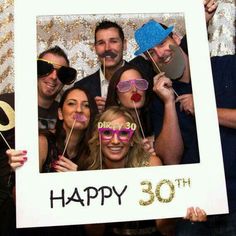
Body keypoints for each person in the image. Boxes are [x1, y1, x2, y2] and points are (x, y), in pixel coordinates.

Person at [85, 106, 206, 236]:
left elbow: (165, 228)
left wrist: (181, 213)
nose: (115, 141)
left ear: (132, 140)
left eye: (124, 133)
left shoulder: (150, 165)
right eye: (107, 133)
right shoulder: (92, 174)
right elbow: (94, 233)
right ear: (98, 139)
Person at [8, 86, 98, 173]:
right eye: (71, 103)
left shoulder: (95, 150)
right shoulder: (42, 143)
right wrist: (19, 170)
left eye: (86, 105)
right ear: (60, 113)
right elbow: (25, 186)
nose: (79, 110)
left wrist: (79, 178)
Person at [74, 20, 128, 113]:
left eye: (113, 41)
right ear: (95, 48)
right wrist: (89, 112)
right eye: (101, 43)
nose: (107, 48)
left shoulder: (143, 77)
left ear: (124, 45)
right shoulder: (81, 87)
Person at [37, 45, 77, 131]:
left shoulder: (67, 115)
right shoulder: (8, 105)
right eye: (46, 69)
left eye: (61, 73)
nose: (54, 77)